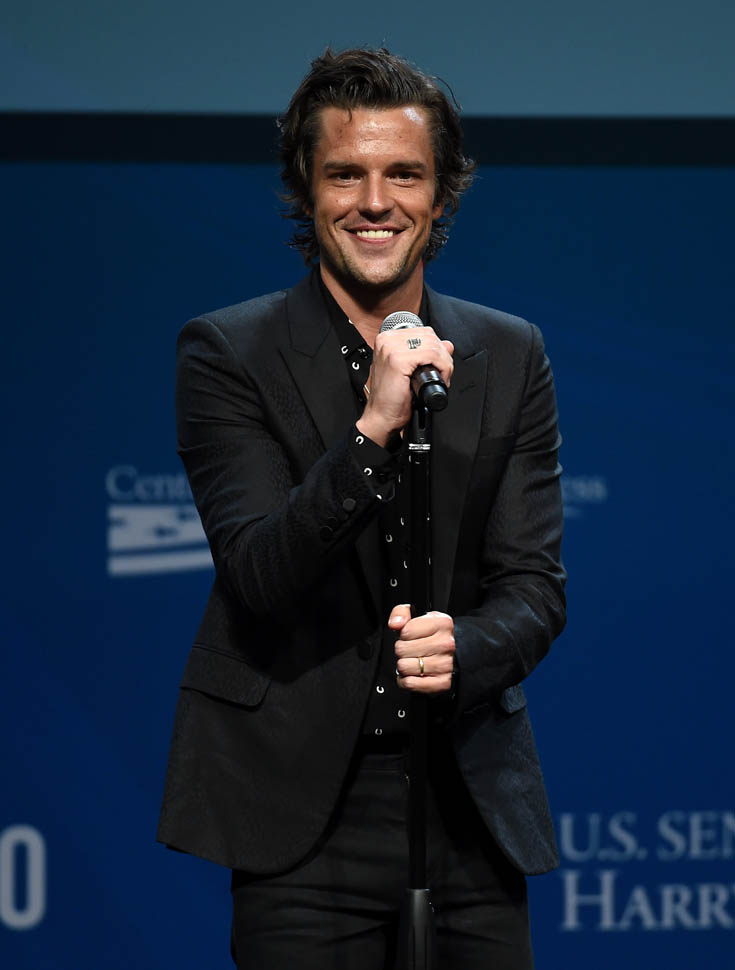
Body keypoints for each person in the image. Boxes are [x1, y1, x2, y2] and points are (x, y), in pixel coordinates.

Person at [158, 47, 566, 970]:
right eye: (345, 174)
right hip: (302, 818)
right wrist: (373, 429)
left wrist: (467, 647)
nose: (374, 202)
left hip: (466, 802)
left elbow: (534, 586)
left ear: (441, 193)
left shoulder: (509, 354)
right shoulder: (228, 351)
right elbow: (259, 573)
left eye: (403, 175)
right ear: (305, 190)